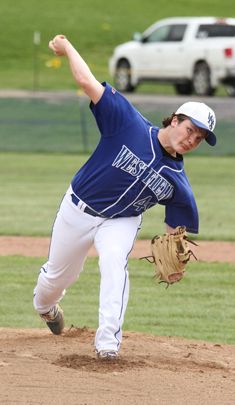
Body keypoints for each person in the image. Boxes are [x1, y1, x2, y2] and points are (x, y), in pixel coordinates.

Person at [33, 35, 217, 360]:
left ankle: (107, 346)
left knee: (115, 264)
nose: (192, 139)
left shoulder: (177, 182)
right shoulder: (127, 123)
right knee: (56, 278)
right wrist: (67, 48)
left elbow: (177, 228)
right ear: (174, 120)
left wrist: (176, 262)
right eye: (190, 129)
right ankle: (46, 308)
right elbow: (85, 81)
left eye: (200, 138)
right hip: (78, 209)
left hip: (121, 221)